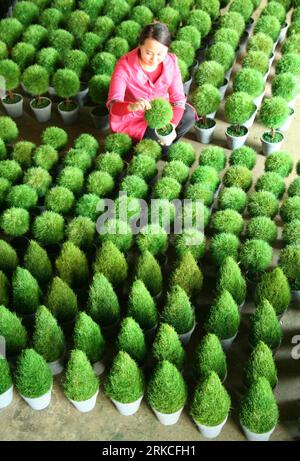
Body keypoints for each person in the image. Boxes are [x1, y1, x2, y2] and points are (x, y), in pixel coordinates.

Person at [106, 22, 196, 146]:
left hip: (160, 112)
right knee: (155, 142)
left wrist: (172, 125)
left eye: (160, 54)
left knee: (189, 115)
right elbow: (113, 105)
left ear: (167, 49)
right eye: (149, 53)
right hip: (134, 118)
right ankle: (157, 148)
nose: (154, 59)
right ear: (140, 46)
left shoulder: (171, 62)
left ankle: (164, 145)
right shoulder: (124, 66)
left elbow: (178, 99)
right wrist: (132, 107)